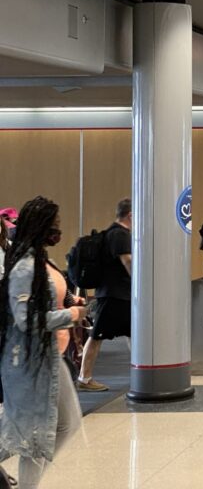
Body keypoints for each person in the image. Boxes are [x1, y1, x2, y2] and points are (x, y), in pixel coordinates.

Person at [0, 196, 88, 489]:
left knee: (65, 423)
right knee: (34, 438)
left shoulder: (41, 259)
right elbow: (27, 320)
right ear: (40, 227)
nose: (58, 230)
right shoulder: (25, 266)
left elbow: (45, 298)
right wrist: (70, 314)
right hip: (28, 362)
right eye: (54, 224)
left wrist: (67, 301)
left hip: (48, 356)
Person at [77, 197, 132, 392]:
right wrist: (140, 283)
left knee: (134, 333)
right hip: (113, 296)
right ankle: (84, 378)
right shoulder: (119, 234)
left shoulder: (113, 233)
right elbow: (128, 262)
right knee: (97, 335)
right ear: (130, 215)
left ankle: (143, 370)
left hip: (117, 294)